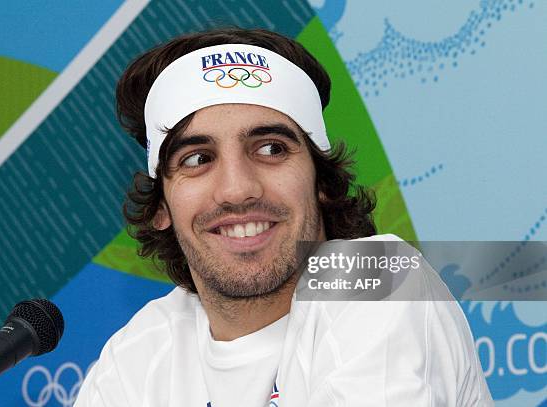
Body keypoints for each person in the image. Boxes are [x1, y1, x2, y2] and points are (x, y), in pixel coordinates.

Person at [74, 28, 493, 406]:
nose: (238, 189)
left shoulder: (376, 277)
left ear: (322, 182)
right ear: (162, 207)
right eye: (198, 159)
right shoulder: (137, 356)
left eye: (271, 148)